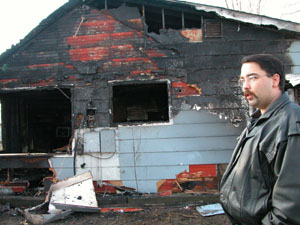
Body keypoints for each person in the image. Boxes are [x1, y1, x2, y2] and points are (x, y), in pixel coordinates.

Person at [220, 54, 300, 225]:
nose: (245, 86)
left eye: (253, 78)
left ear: (275, 80)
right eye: (242, 80)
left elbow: (291, 209)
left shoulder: (290, 124)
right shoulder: (260, 120)